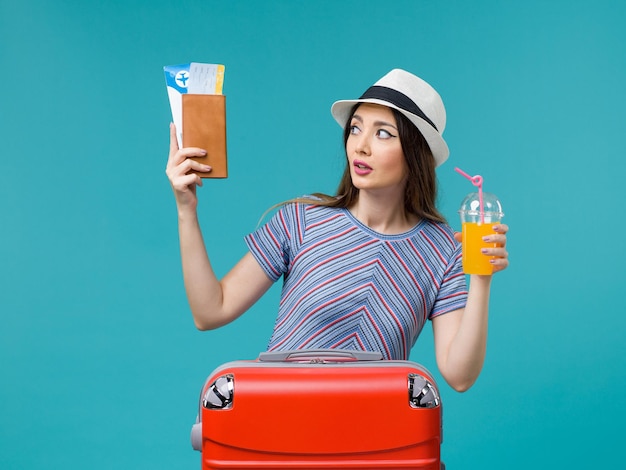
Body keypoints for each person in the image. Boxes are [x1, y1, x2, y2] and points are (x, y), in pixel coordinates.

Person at [166, 69, 509, 392]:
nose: (360, 145)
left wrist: (480, 280)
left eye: (383, 133)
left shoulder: (440, 250)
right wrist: (186, 210)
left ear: (416, 151)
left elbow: (459, 375)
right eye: (356, 128)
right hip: (279, 426)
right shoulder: (303, 218)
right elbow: (211, 311)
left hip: (372, 442)